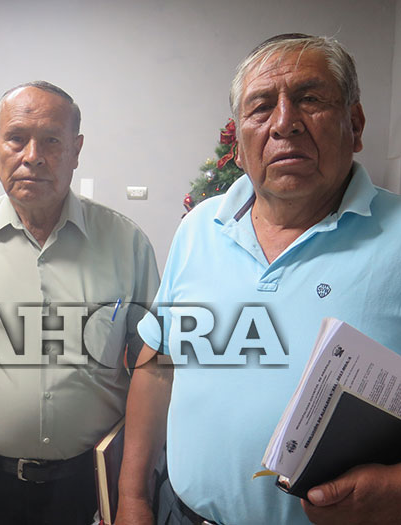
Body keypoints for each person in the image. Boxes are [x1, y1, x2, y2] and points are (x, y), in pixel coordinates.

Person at [116, 33, 401, 525]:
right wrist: (133, 499)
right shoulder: (199, 228)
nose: (284, 123)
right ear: (239, 144)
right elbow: (159, 367)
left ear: (354, 125)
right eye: (261, 107)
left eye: (310, 99)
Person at [0, 81, 160, 525]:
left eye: (51, 141)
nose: (32, 156)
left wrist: (134, 491)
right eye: (16, 138)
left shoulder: (127, 244)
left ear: (76, 149)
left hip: (89, 489)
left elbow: (151, 369)